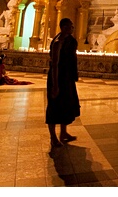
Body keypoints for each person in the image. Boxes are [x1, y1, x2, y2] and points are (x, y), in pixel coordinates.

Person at [46, 18, 80, 148]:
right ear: (64, 27)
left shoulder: (71, 41)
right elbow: (55, 65)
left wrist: (74, 75)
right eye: (70, 27)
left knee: (66, 104)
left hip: (67, 77)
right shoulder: (57, 43)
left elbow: (73, 58)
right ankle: (53, 136)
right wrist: (55, 85)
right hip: (57, 77)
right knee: (54, 106)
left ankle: (63, 132)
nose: (72, 28)